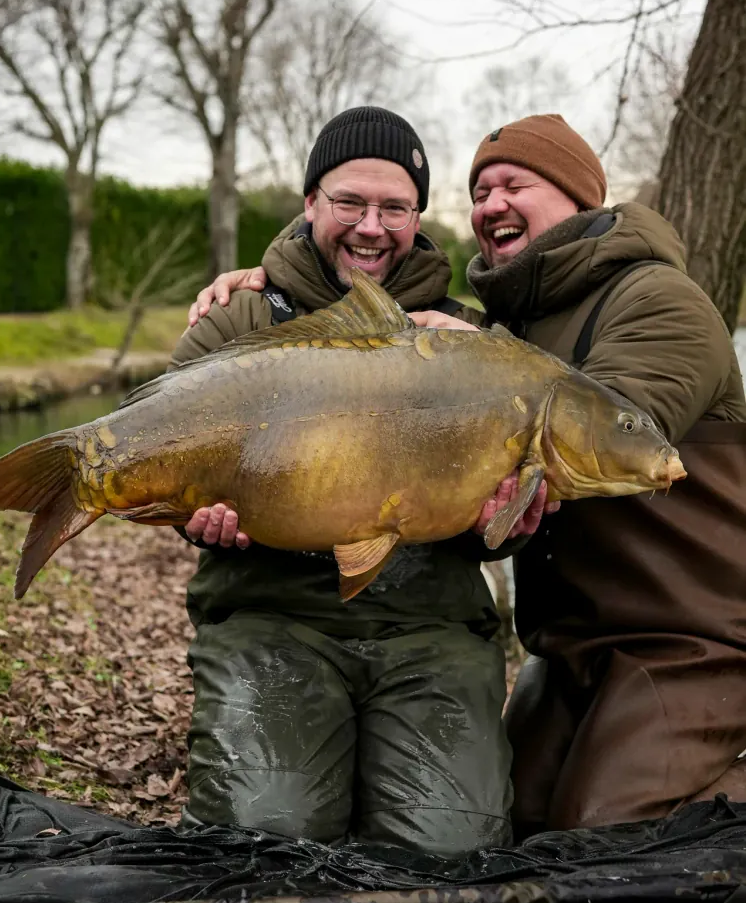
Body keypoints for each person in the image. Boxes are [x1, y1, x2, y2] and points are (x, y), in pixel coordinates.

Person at [195, 113, 746, 841]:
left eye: (515, 184)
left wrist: (484, 360)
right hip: (567, 646)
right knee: (524, 831)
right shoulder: (510, 320)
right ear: (310, 205)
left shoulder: (652, 300)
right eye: (480, 191)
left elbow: (606, 426)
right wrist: (264, 289)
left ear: (583, 199)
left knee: (599, 846)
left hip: (687, 641)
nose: (491, 206)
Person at [169, 107, 551, 855]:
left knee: (455, 852)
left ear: (418, 216)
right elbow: (165, 454)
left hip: (430, 628)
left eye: (395, 208)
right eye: (350, 202)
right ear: (310, 202)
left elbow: (493, 520)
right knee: (265, 840)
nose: (371, 227)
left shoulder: (466, 338)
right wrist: (190, 514)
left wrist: (501, 519)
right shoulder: (235, 319)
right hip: (270, 617)